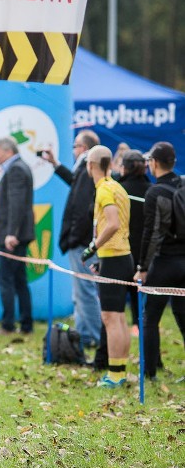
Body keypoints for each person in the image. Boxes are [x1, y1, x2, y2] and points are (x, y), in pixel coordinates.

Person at [40, 129, 101, 348]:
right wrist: (55, 164)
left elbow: (82, 207)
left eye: (75, 145)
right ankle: (86, 333)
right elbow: (74, 183)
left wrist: (74, 238)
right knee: (81, 291)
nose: (73, 149)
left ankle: (92, 336)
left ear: (83, 149)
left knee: (85, 291)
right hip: (82, 241)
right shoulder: (85, 170)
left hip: (81, 242)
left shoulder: (87, 169)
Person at [133, 142, 185, 381]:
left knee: (150, 316)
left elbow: (152, 233)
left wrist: (143, 267)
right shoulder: (183, 184)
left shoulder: (155, 192)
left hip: (165, 262)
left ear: (153, 163)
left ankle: (150, 373)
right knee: (182, 314)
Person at [82, 145, 132, 388]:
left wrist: (93, 246)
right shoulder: (118, 186)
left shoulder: (103, 190)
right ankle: (120, 368)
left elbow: (111, 223)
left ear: (91, 165)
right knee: (119, 317)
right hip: (121, 256)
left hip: (114, 257)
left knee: (111, 318)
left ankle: (114, 373)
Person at [0, 137, 35, 336]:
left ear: (8, 151)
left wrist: (11, 233)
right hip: (16, 235)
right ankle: (26, 325)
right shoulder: (18, 167)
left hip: (13, 237)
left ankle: (8, 325)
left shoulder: (16, 169)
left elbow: (16, 204)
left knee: (6, 280)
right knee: (19, 280)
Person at [117, 150, 151, 335]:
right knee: (145, 309)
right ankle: (149, 351)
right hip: (145, 255)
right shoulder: (151, 190)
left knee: (115, 309)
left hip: (122, 253)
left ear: (125, 168)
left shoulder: (118, 190)